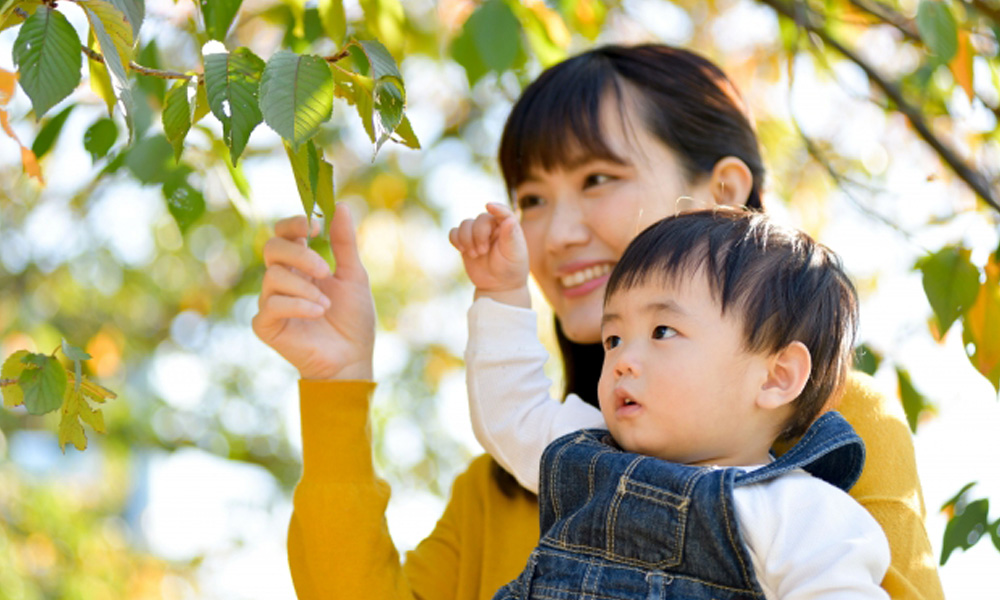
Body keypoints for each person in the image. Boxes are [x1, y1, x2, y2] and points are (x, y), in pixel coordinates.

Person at [252, 44, 944, 599]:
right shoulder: (518, 471)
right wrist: (338, 382)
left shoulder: (837, 428)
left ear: (723, 193)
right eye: (531, 198)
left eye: (597, 179)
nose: (556, 235)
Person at [454, 206, 890, 599]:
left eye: (662, 331)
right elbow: (513, 413)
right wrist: (500, 291)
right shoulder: (588, 454)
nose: (622, 360)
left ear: (776, 376)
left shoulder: (801, 511)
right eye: (613, 339)